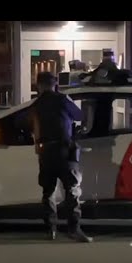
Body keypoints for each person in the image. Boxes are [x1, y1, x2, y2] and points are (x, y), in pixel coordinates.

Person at [28, 72, 93, 243]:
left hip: (45, 153)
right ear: (54, 84)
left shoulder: (36, 104)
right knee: (71, 191)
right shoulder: (63, 100)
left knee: (48, 192)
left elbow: (28, 125)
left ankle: (51, 230)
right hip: (65, 152)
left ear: (39, 86)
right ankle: (74, 229)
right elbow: (79, 116)